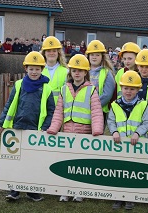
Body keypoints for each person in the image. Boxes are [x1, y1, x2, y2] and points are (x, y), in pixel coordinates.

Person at [0, 51, 55, 202]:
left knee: (34, 161)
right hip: (18, 127)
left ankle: (32, 191)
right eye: (31, 68)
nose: (34, 72)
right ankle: (14, 190)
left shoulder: (47, 88)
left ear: (42, 69)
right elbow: (10, 105)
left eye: (37, 69)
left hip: (36, 130)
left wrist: (46, 126)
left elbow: (51, 111)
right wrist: (2, 123)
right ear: (26, 69)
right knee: (17, 159)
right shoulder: (18, 85)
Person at [47, 54, 103, 202]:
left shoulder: (91, 90)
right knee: (66, 162)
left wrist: (97, 129)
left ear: (86, 72)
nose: (77, 73)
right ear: (70, 72)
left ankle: (80, 191)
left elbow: (96, 112)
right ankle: (65, 190)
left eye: (80, 70)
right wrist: (54, 127)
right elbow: (59, 111)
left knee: (81, 164)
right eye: (74, 70)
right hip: (67, 131)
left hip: (84, 132)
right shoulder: (64, 89)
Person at [107, 70, 148, 210]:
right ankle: (118, 198)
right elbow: (111, 121)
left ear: (138, 89)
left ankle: (131, 198)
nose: (128, 91)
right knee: (119, 171)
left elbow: (146, 123)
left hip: (136, 144)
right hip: (120, 144)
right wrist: (113, 131)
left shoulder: (143, 105)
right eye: (126, 88)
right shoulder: (115, 105)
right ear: (121, 88)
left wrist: (138, 133)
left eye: (132, 89)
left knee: (134, 172)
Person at [86, 40, 115, 118]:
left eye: (97, 55)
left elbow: (107, 95)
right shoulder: (83, 70)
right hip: (83, 110)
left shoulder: (107, 73)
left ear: (102, 57)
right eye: (92, 55)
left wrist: (92, 105)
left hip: (99, 112)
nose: (94, 57)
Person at [41, 36, 68, 104]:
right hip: (42, 111)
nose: (51, 53)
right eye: (49, 51)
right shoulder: (39, 71)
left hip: (59, 111)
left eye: (54, 51)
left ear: (58, 53)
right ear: (44, 53)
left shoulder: (66, 72)